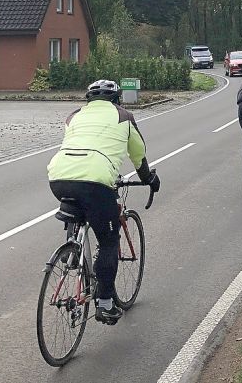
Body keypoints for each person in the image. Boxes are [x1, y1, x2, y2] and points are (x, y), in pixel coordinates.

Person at [46, 79, 161, 325]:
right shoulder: (124, 116)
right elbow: (138, 155)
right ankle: (106, 304)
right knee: (109, 241)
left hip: (58, 176)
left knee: (79, 205)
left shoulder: (74, 116)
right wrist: (149, 179)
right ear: (117, 99)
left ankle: (72, 251)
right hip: (96, 180)